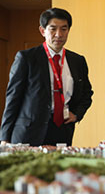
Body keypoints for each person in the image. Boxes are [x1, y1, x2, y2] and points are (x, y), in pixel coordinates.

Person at [0, 8, 93, 146]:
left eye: (64, 29)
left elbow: (87, 94)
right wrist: (4, 137)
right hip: (28, 133)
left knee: (60, 167)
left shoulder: (77, 61)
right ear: (43, 31)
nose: (58, 34)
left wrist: (77, 114)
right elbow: (13, 98)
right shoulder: (27, 58)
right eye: (53, 29)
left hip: (62, 130)